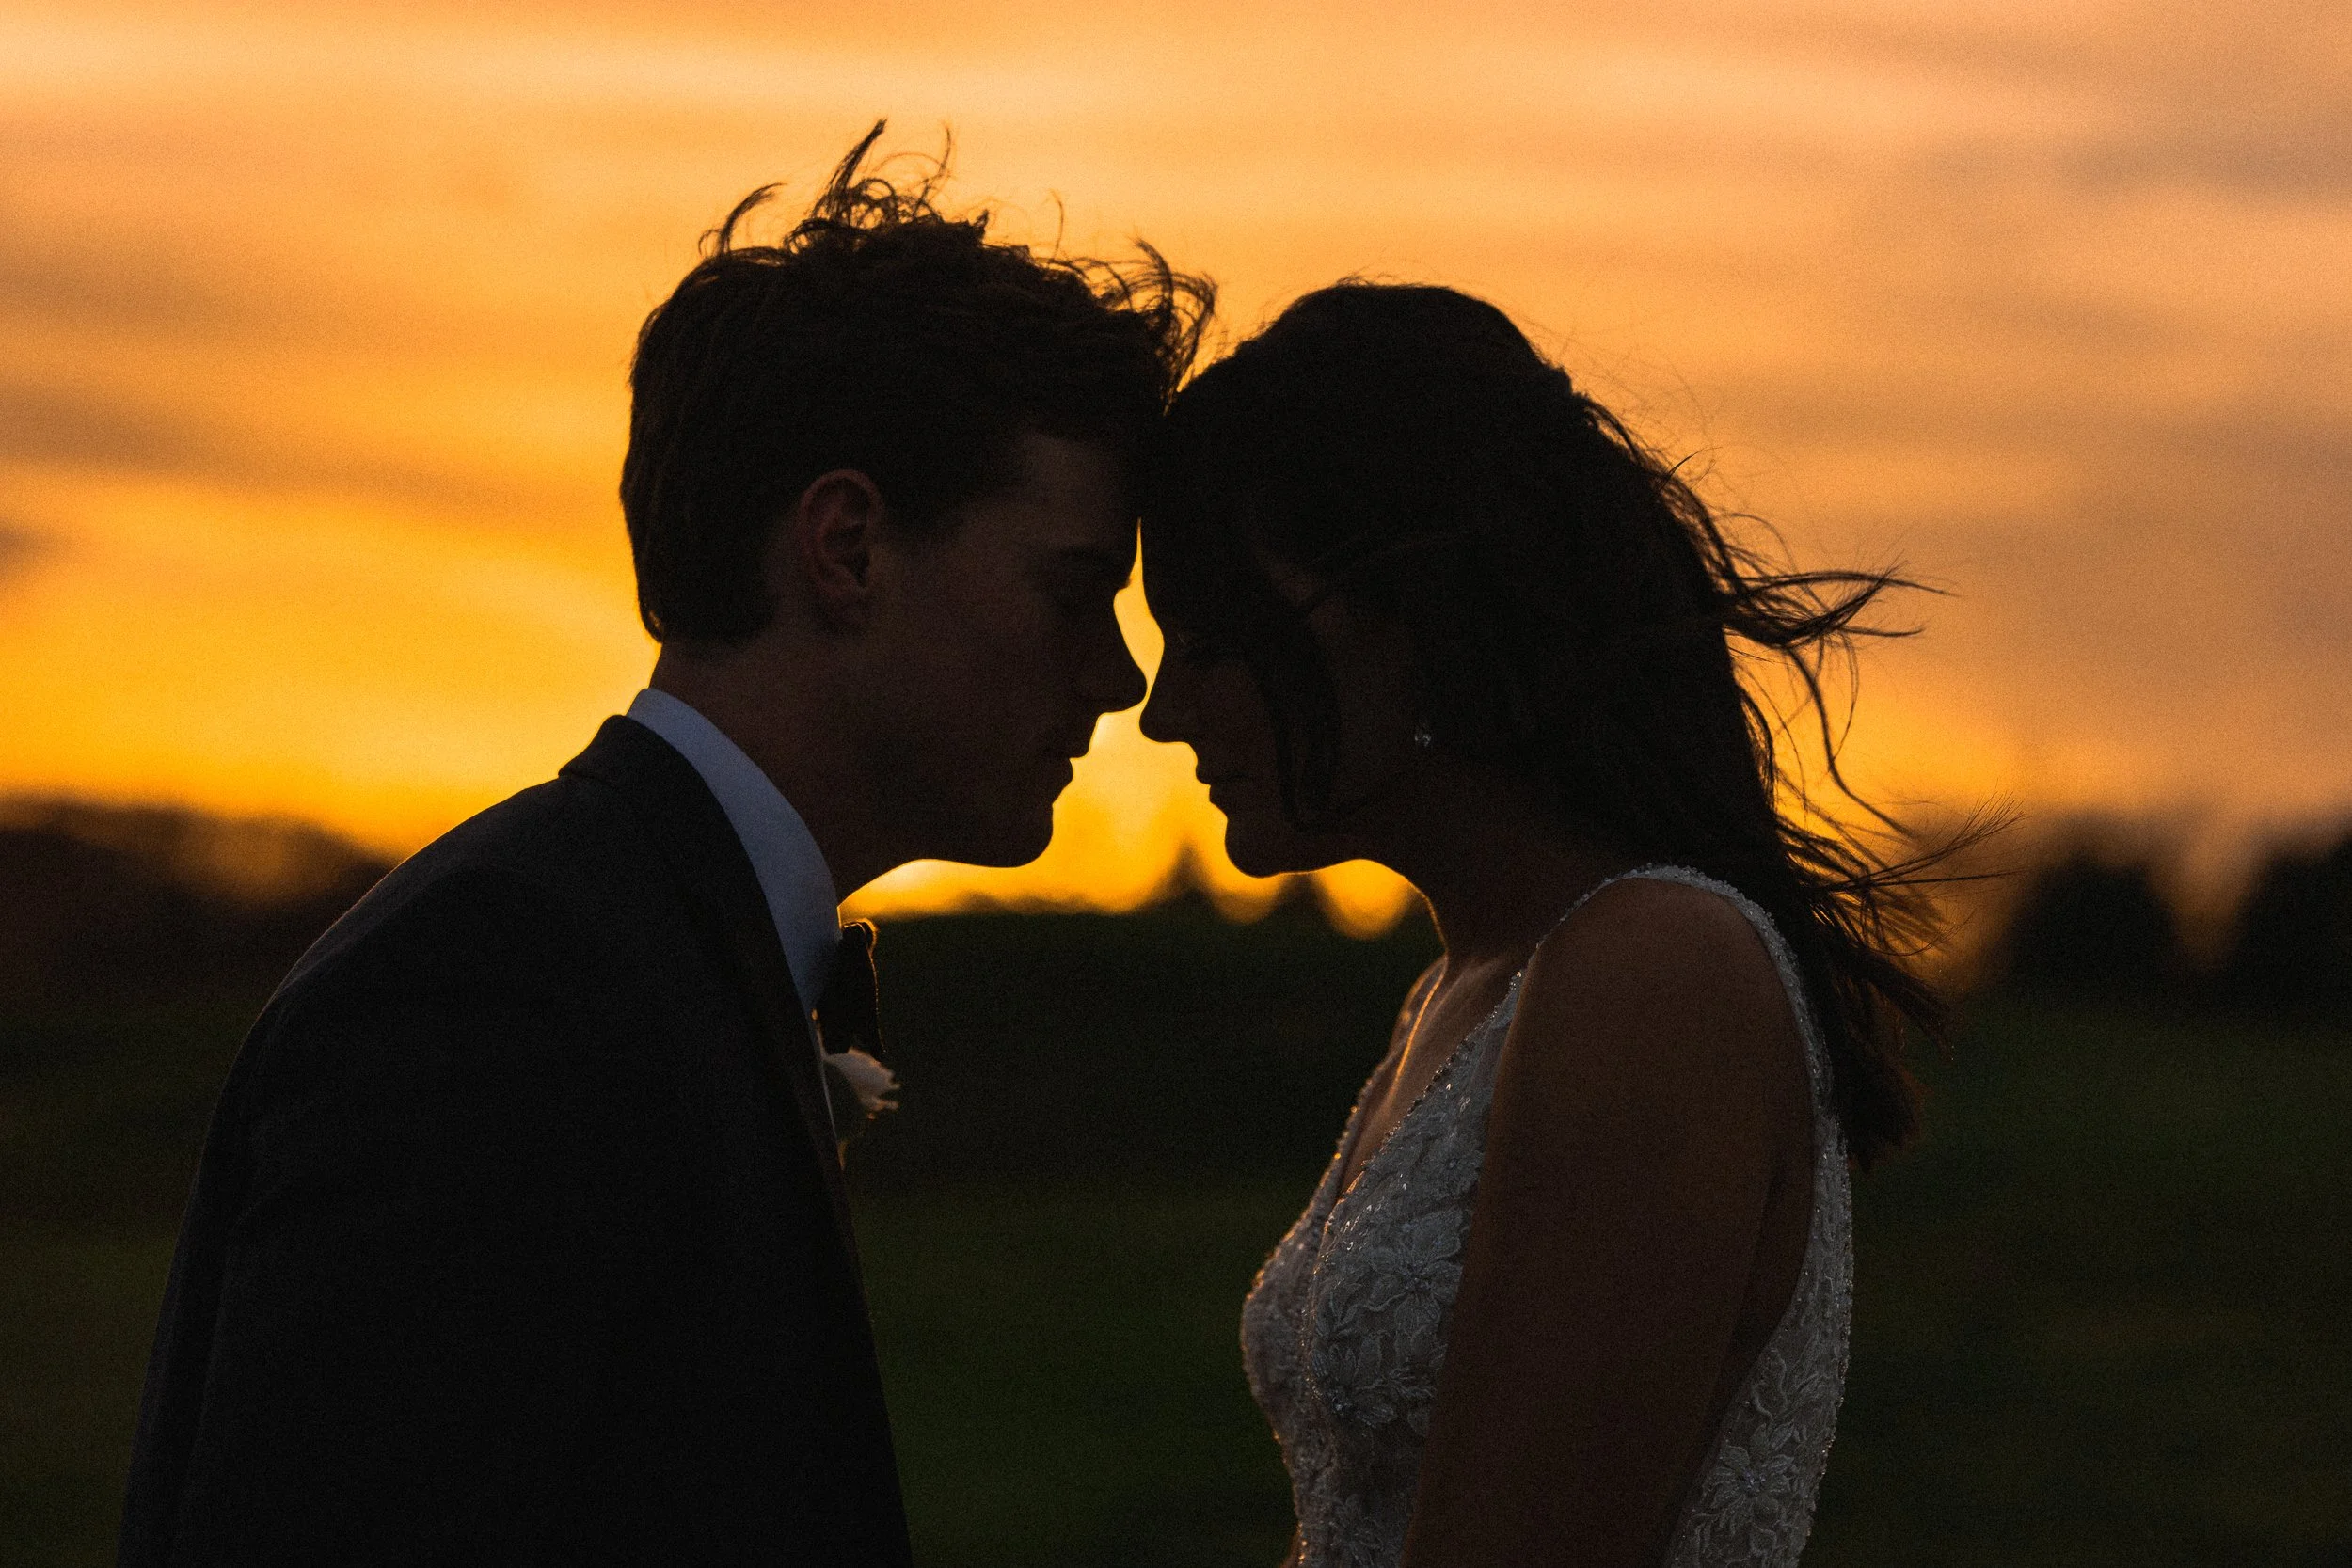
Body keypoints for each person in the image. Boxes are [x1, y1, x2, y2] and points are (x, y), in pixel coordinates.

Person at [118, 126, 1209, 1566]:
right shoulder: (498, 993)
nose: (1118, 675)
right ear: (846, 548)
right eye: (1073, 590)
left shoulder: (616, 945)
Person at [1137, 282, 1951, 1568]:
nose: (1162, 712)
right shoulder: (1458, 989)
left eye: (1207, 642)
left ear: (1399, 614)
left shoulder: (1657, 971)